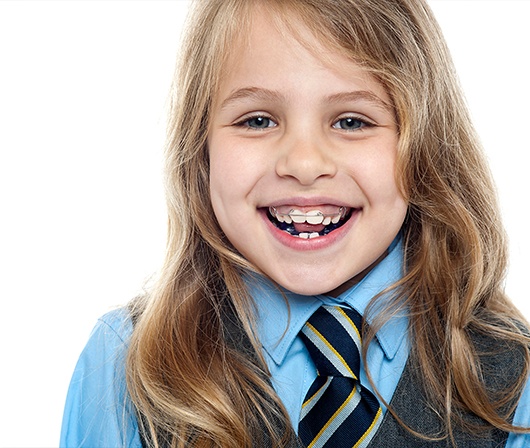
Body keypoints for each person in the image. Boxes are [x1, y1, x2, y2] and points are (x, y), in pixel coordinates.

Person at [60, 0, 530, 447]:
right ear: (200, 149)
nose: (304, 164)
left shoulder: (514, 375)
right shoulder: (122, 364)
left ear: (424, 146)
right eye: (258, 120)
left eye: (351, 122)